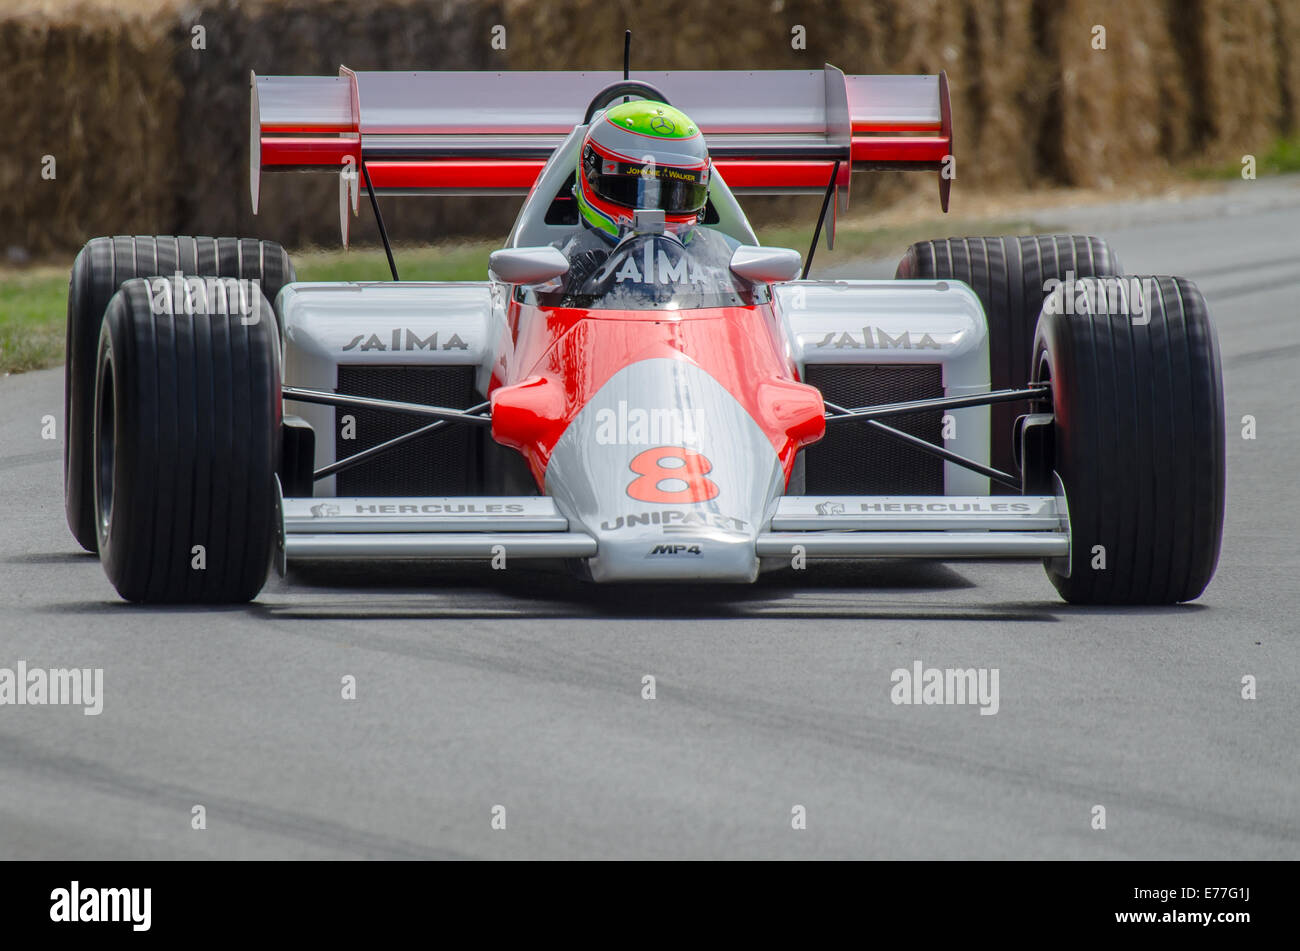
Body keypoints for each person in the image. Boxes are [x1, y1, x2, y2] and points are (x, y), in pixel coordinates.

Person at [555, 98, 737, 290]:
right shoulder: (554, 264)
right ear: (589, 175)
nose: (652, 212)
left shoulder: (722, 260)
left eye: (674, 194)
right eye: (629, 188)